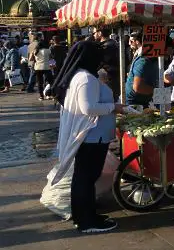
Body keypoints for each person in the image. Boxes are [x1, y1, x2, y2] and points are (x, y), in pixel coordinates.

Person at [51, 41, 123, 233]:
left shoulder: (82, 76)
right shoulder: (86, 78)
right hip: (92, 137)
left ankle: (85, 215)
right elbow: (88, 108)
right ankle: (87, 221)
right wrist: (114, 107)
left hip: (91, 137)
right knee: (86, 178)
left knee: (84, 177)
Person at [125, 32, 158, 106]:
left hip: (140, 101)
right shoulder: (143, 60)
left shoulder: (145, 59)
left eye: (131, 41)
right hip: (134, 102)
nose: (129, 44)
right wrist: (157, 91)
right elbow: (138, 87)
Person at [94, 30, 120, 101]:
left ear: (99, 33)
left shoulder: (106, 46)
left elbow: (101, 63)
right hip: (113, 78)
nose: (93, 35)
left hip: (108, 78)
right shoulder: (113, 44)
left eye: (94, 33)